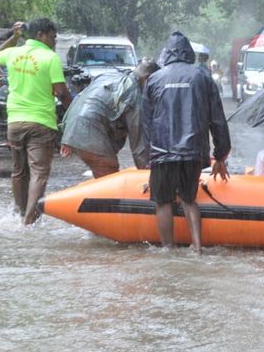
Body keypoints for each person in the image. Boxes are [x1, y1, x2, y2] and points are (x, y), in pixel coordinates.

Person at [143, 31, 230, 253]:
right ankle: (198, 248)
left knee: (163, 202)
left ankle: (168, 249)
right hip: (192, 151)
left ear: (167, 53)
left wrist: (147, 157)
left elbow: (145, 123)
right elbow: (217, 119)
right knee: (189, 199)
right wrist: (221, 154)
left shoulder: (154, 79)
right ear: (189, 53)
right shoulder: (203, 77)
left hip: (162, 152)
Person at [0, 19, 72, 225]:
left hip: (15, 122)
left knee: (19, 171)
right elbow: (61, 92)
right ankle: (29, 220)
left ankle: (21, 214)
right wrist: (72, 112)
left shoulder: (14, 53)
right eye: (52, 37)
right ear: (40, 34)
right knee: (38, 172)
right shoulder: (50, 57)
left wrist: (15, 36)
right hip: (40, 123)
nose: (54, 41)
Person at [60, 60, 160, 178]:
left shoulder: (109, 76)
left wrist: (67, 135)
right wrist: (148, 175)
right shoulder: (134, 93)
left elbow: (80, 97)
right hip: (89, 130)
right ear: (147, 79)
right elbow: (138, 142)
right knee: (108, 168)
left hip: (73, 125)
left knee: (103, 169)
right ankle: (103, 196)